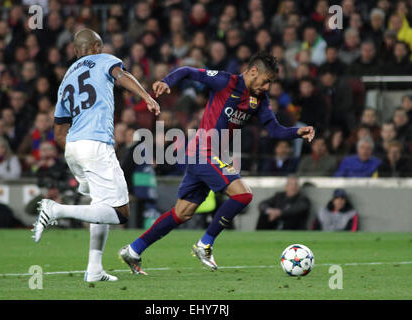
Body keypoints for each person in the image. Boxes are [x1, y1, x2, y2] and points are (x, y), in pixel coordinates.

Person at [119, 52, 315, 274]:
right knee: (243, 195)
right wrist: (166, 82)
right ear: (253, 72)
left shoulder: (259, 100)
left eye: (271, 82)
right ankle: (205, 244)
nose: (267, 87)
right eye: (266, 80)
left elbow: (274, 129)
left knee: (182, 213)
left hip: (207, 156)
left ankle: (133, 250)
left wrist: (297, 132)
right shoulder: (225, 82)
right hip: (202, 152)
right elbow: (188, 71)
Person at [31, 29, 160, 283]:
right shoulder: (103, 60)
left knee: (100, 204)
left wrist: (74, 153)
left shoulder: (67, 78)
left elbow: (59, 130)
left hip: (73, 147)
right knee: (119, 212)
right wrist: (146, 96)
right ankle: (55, 210)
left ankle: (94, 269)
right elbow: (121, 75)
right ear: (96, 46)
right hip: (95, 144)